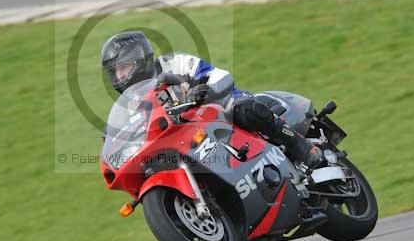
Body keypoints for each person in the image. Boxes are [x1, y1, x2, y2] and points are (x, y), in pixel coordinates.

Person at [100, 31, 323, 171]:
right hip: (184, 137)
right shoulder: (130, 104)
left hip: (217, 109)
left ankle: (301, 146)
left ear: (140, 59)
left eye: (124, 68)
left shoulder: (174, 63)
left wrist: (205, 91)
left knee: (247, 111)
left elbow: (221, 77)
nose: (120, 77)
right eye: (115, 72)